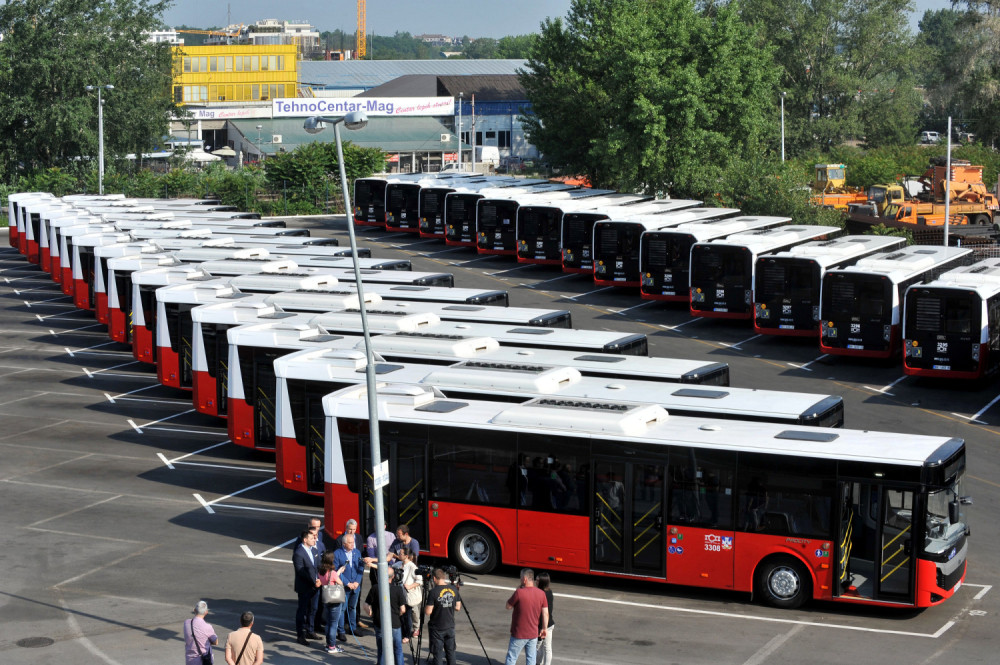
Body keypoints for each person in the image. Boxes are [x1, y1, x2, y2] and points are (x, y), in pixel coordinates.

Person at [504, 568, 548, 665]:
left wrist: (518, 590)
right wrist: (544, 628)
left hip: (519, 633)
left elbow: (508, 606)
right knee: (531, 658)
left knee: (511, 657)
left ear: (524, 579)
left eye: (520, 577)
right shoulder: (541, 594)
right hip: (533, 633)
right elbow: (545, 613)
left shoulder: (519, 592)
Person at [364, 567, 407, 665]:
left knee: (382, 649)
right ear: (393, 577)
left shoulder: (375, 588)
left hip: (379, 623)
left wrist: (371, 614)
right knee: (397, 649)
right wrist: (397, 614)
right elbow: (403, 609)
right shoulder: (398, 589)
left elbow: (366, 605)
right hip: (395, 623)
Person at [333, 532, 366, 641]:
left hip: (355, 586)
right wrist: (348, 583)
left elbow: (361, 568)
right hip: (344, 587)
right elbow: (337, 571)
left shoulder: (357, 552)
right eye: (350, 543)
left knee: (353, 607)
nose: (353, 544)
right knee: (342, 609)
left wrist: (357, 582)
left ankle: (353, 627)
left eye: (353, 542)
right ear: (344, 544)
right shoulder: (337, 554)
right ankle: (341, 630)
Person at [424, 568, 462, 665]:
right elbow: (458, 608)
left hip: (437, 627)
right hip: (450, 626)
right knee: (451, 652)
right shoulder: (454, 589)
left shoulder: (433, 592)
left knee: (438, 654)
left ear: (434, 578)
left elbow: (428, 612)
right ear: (444, 577)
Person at [292, 529, 322, 646]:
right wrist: (314, 581)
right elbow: (301, 572)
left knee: (313, 609)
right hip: (305, 586)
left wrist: (319, 579)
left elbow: (317, 566)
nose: (314, 539)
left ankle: (310, 630)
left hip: (315, 585)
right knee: (302, 610)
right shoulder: (298, 553)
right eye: (311, 538)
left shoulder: (314, 550)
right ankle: (300, 635)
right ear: (305, 540)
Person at [317, 550, 347, 654]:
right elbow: (340, 583)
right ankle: (332, 646)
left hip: (326, 598)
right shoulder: (333, 573)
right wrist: (338, 574)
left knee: (329, 623)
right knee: (334, 624)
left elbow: (326, 580)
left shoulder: (320, 571)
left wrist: (337, 573)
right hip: (335, 600)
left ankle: (328, 644)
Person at [397, 547, 423, 642]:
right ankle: (402, 632)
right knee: (401, 614)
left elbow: (420, 581)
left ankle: (407, 635)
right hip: (400, 594)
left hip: (408, 595)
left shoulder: (412, 567)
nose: (398, 555)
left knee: (407, 615)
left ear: (406, 556)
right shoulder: (399, 564)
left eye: (400, 553)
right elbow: (389, 568)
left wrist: (410, 586)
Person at [184, 600, 218, 665]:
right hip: (203, 661)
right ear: (206, 612)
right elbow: (216, 642)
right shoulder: (208, 627)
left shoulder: (186, 623)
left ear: (194, 610)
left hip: (189, 660)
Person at [533, 573, 555, 665]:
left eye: (537, 580)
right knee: (547, 648)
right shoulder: (549, 592)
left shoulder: (540, 594)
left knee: (537, 647)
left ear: (541, 582)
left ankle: (537, 663)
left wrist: (541, 628)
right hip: (550, 624)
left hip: (542, 625)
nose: (535, 582)